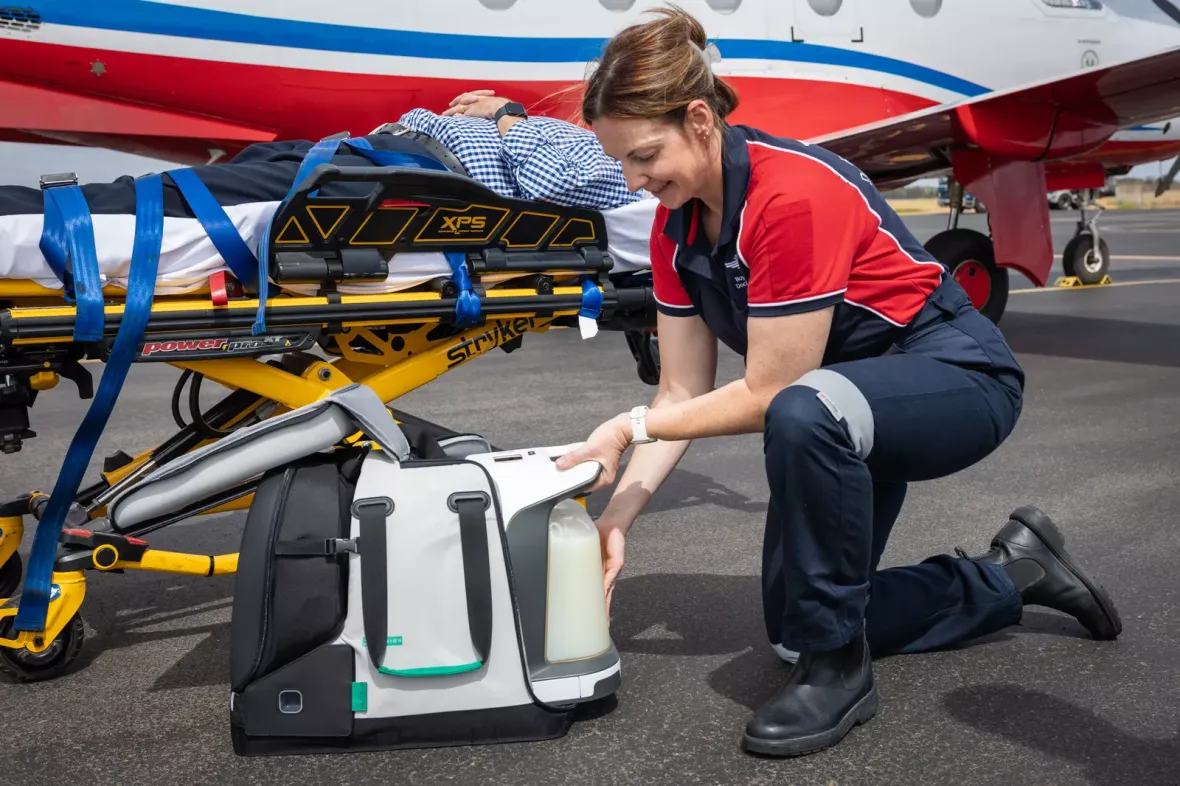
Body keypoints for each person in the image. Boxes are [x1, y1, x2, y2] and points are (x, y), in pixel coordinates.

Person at [555, 5, 1123, 758]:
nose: (633, 178)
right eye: (621, 161)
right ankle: (1014, 573)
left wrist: (627, 430)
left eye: (644, 154)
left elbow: (765, 392)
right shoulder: (674, 227)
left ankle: (840, 675)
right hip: (843, 401)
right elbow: (680, 397)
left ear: (699, 118)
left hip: (954, 374)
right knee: (797, 622)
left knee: (799, 413)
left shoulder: (791, 193)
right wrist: (616, 517)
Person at [385, 93, 644, 210]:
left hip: (425, 164)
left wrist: (505, 111)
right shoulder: (603, 145)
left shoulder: (630, 173)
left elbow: (551, 180)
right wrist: (475, 112)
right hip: (400, 143)